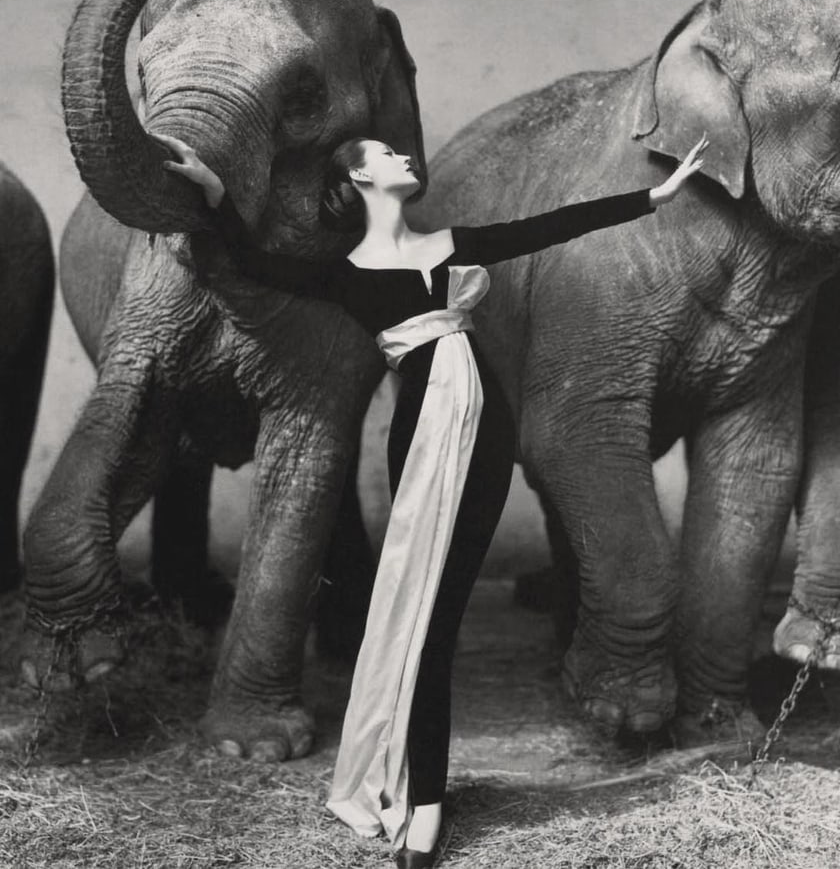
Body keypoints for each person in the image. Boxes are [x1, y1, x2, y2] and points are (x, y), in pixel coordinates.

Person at [157, 131, 707, 867]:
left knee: (440, 618)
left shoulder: (450, 243)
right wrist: (217, 196)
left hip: (484, 434)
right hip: (422, 438)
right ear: (357, 182)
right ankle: (423, 808)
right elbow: (253, 262)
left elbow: (552, 226)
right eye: (386, 156)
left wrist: (656, 197)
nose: (405, 159)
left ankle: (426, 802)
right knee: (427, 629)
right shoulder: (343, 271)